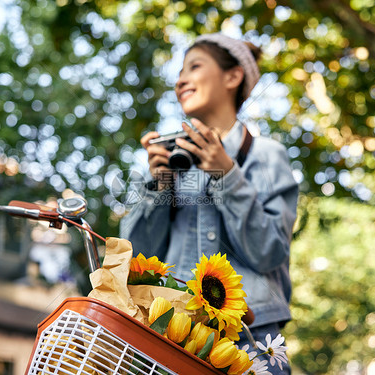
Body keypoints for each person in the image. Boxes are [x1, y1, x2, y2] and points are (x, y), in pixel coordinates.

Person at [120, 32, 298, 374]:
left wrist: (227, 174)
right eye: (180, 71)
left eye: (194, 66)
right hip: (171, 331)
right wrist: (158, 185)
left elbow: (270, 252)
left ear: (233, 77)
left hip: (250, 335)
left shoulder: (266, 156)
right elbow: (135, 254)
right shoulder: (171, 159)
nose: (180, 79)